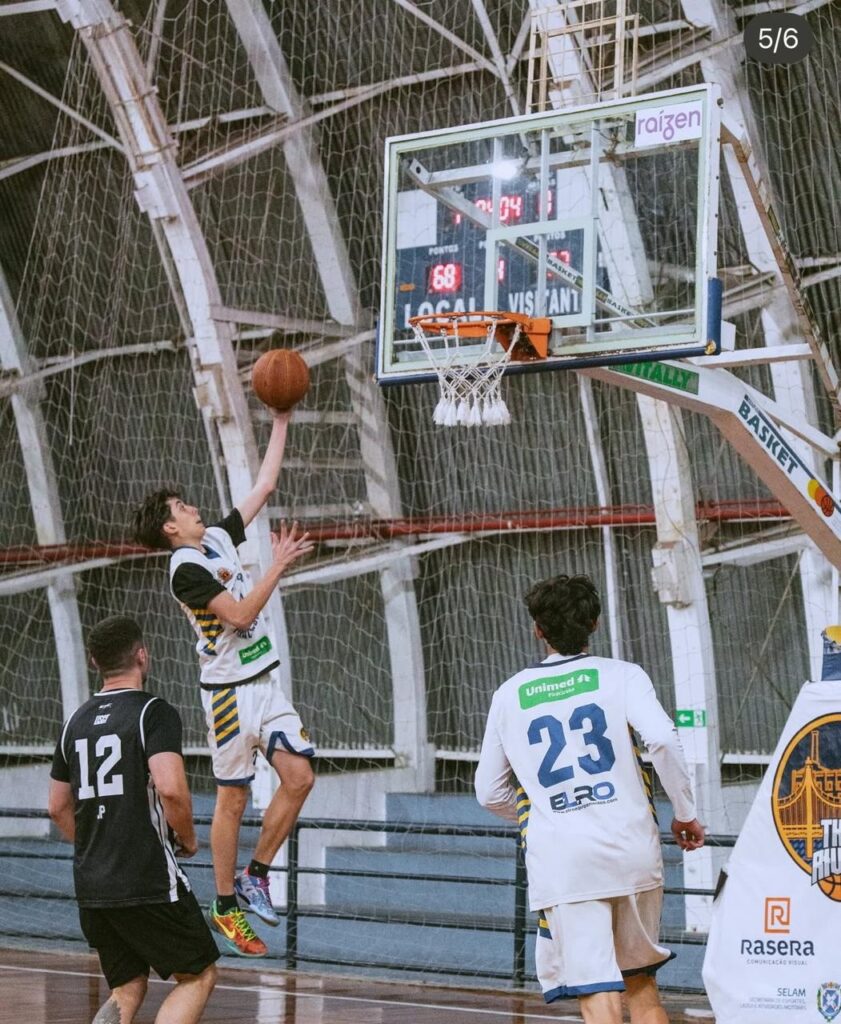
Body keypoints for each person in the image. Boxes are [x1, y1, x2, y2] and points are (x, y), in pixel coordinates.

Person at [475, 574, 705, 1024]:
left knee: (596, 989)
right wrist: (685, 813)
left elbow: (488, 791)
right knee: (641, 984)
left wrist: (541, 811)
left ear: (537, 629)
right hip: (631, 846)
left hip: (565, 860)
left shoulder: (509, 695)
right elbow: (660, 738)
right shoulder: (623, 675)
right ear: (594, 623)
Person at [132, 410, 315, 957]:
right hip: (229, 694)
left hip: (265, 680)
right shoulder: (184, 569)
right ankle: (226, 903)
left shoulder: (214, 536)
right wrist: (277, 567)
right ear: (171, 528)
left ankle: (257, 872)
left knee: (300, 778)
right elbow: (235, 617)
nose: (193, 508)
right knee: (232, 799)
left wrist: (281, 418)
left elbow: (264, 485)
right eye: (183, 508)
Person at [48, 615, 218, 1024]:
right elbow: (172, 788)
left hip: (93, 884)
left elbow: (56, 806)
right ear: (142, 655)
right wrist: (189, 839)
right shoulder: (153, 712)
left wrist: (95, 847)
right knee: (199, 975)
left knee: (127, 987)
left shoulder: (75, 721)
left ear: (93, 662)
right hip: (147, 880)